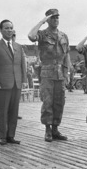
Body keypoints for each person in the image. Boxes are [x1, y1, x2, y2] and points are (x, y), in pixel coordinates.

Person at [28, 8, 70, 142]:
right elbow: (31, 36)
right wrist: (42, 21)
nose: (56, 20)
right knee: (48, 101)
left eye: (57, 17)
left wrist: (67, 72)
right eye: (52, 18)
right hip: (47, 72)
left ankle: (55, 129)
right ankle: (47, 130)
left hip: (60, 74)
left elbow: (67, 54)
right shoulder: (42, 34)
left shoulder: (64, 36)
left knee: (59, 102)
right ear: (47, 20)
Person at [0, 19, 27, 145]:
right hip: (3, 83)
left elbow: (22, 64)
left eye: (11, 28)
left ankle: (11, 135)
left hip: (17, 83)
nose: (9, 30)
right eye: (6, 28)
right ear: (1, 30)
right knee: (3, 111)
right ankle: (2, 136)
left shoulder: (18, 47)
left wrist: (24, 80)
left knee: (14, 111)